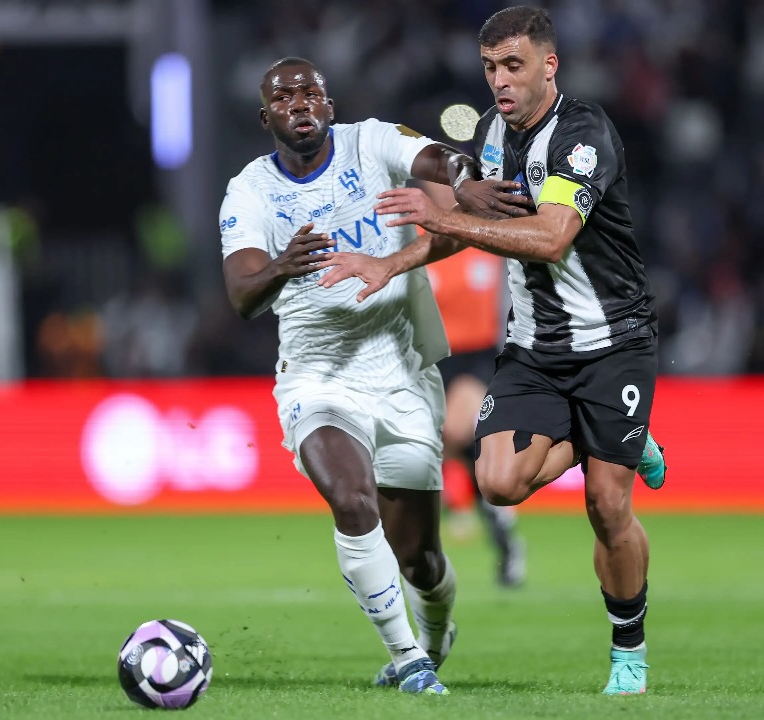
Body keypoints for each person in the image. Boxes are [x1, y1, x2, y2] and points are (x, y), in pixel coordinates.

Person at [315, 7, 667, 695]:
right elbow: (466, 228)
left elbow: (552, 237)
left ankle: (629, 652)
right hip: (534, 347)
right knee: (497, 483)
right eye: (489, 68)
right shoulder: (490, 134)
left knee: (606, 506)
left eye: (512, 65)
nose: (499, 80)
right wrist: (393, 262)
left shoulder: (583, 135)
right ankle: (608, 437)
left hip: (613, 342)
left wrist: (445, 214)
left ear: (548, 65)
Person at [218, 57, 533, 695]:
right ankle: (408, 658)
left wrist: (465, 179)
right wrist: (281, 266)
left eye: (311, 92)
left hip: (402, 373)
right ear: (265, 116)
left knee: (420, 559)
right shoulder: (249, 191)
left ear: (329, 107)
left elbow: (438, 160)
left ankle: (435, 637)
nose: (300, 103)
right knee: (351, 499)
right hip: (317, 378)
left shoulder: (370, 142)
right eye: (284, 97)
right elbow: (241, 294)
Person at [416, 182, 526, 587]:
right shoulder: (416, 236)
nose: (443, 192)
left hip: (478, 356)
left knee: (456, 429)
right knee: (450, 447)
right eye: (435, 185)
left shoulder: (485, 230)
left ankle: (461, 507)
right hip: (431, 358)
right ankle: (501, 528)